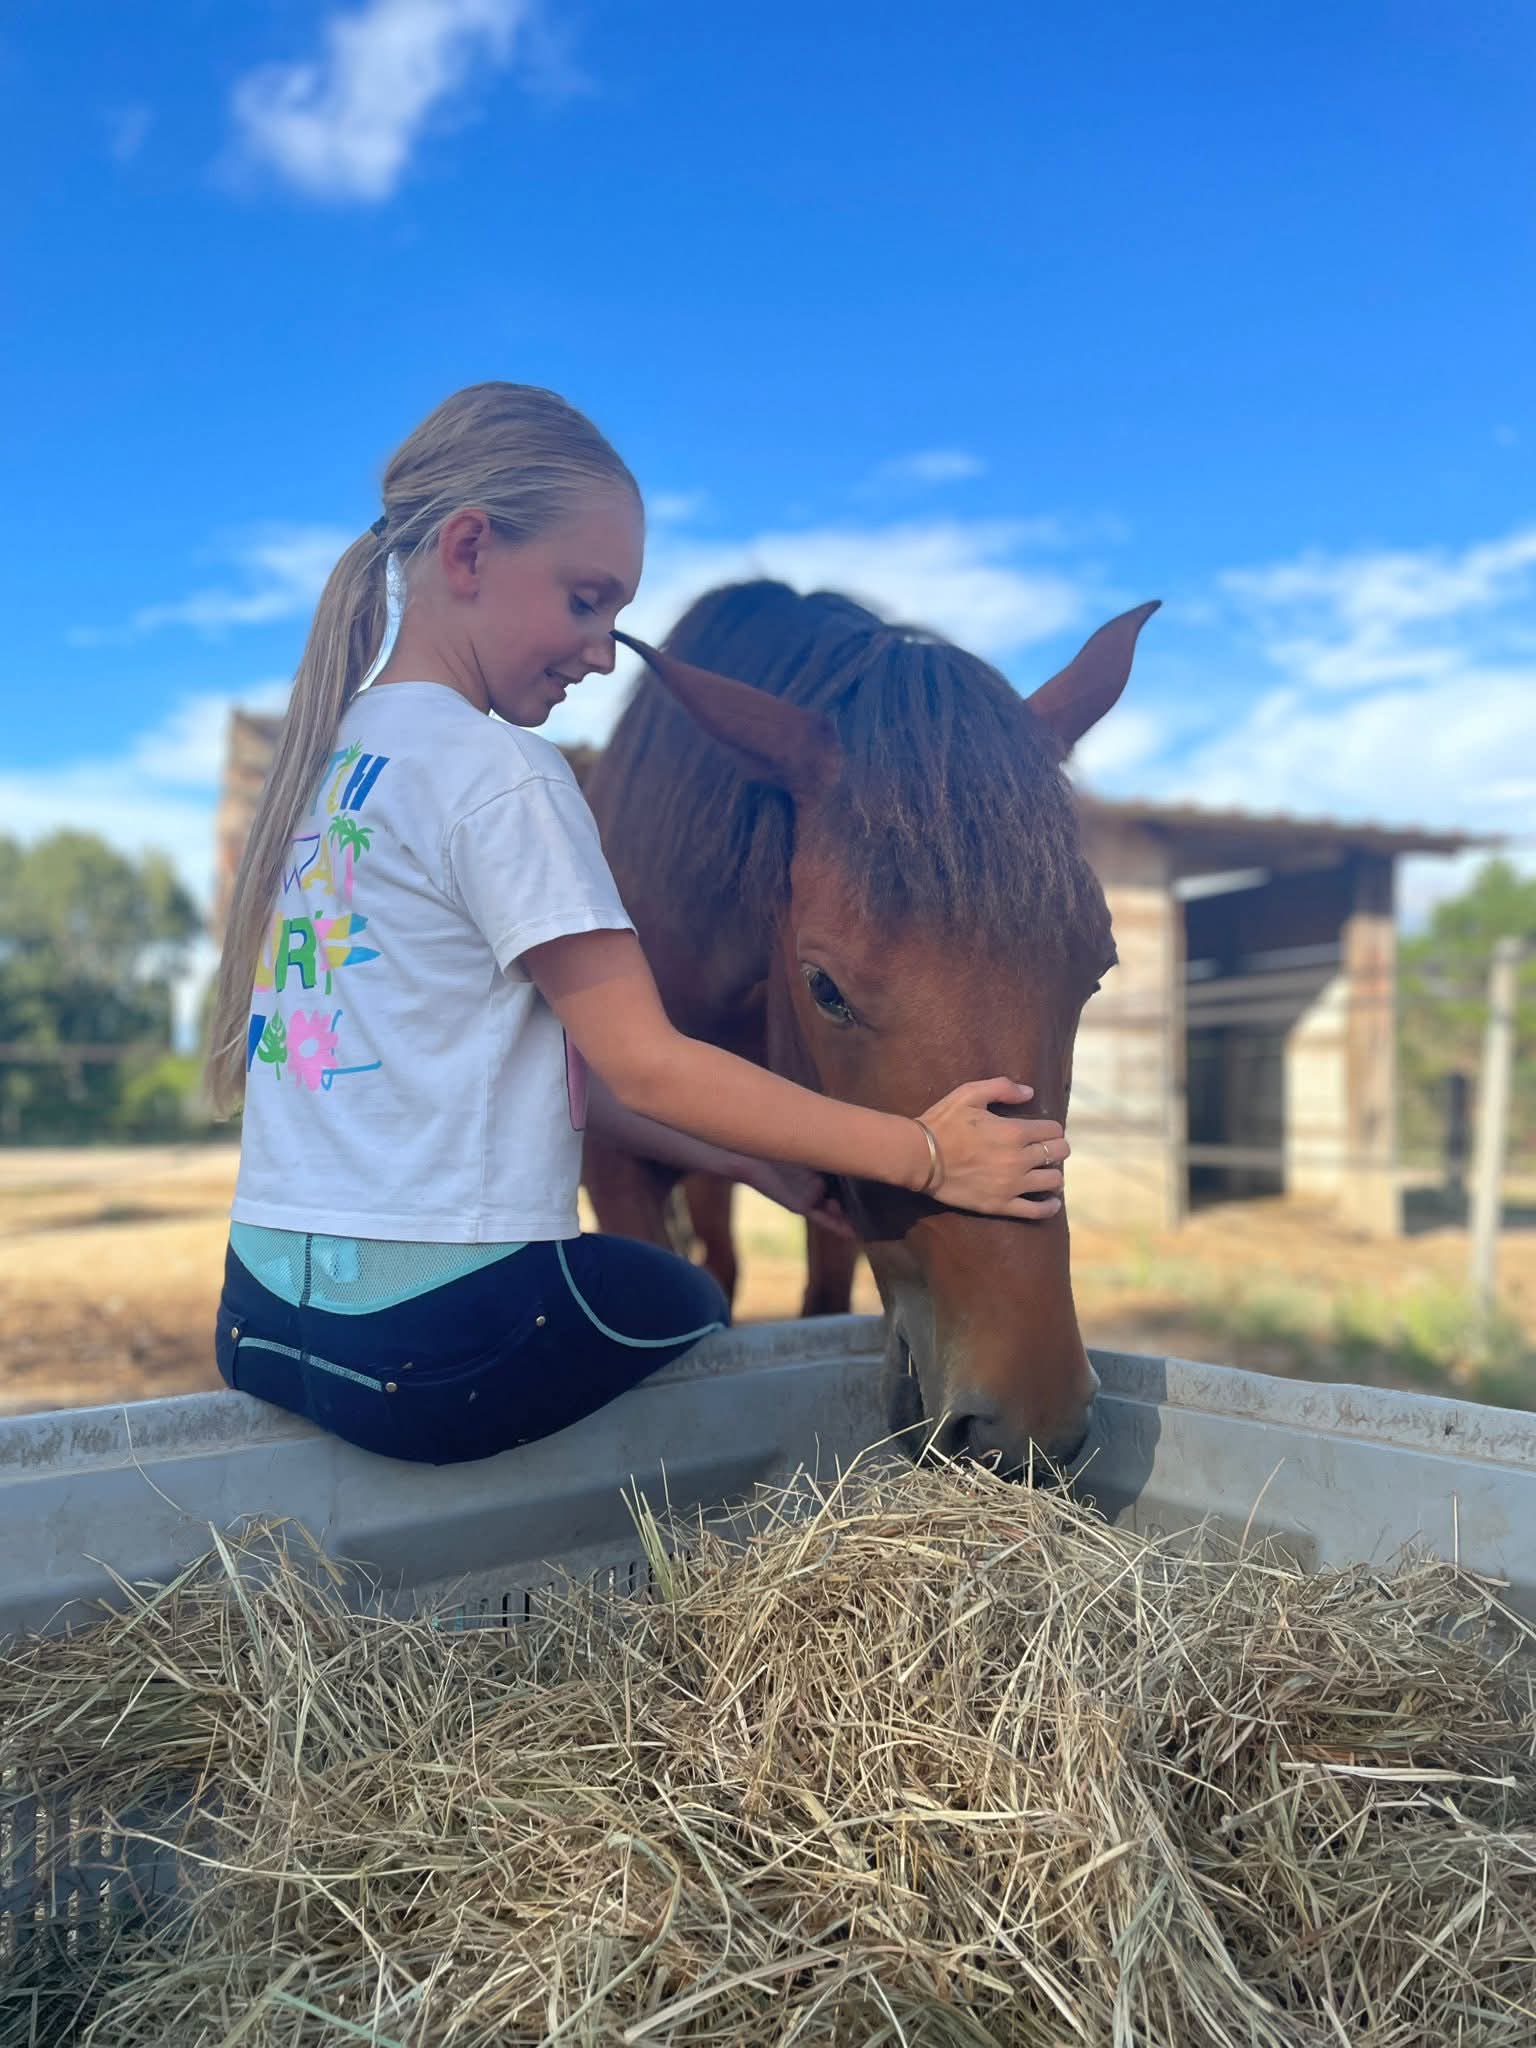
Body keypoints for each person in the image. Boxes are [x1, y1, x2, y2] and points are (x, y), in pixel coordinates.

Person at [205, 382, 1070, 1465]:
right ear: (467, 551)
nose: (604, 652)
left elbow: (571, 1078)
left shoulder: (329, 770)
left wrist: (755, 1164)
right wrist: (928, 1153)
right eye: (584, 600)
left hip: (256, 1323)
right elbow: (648, 1065)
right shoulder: (505, 773)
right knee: (692, 1300)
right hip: (428, 1356)